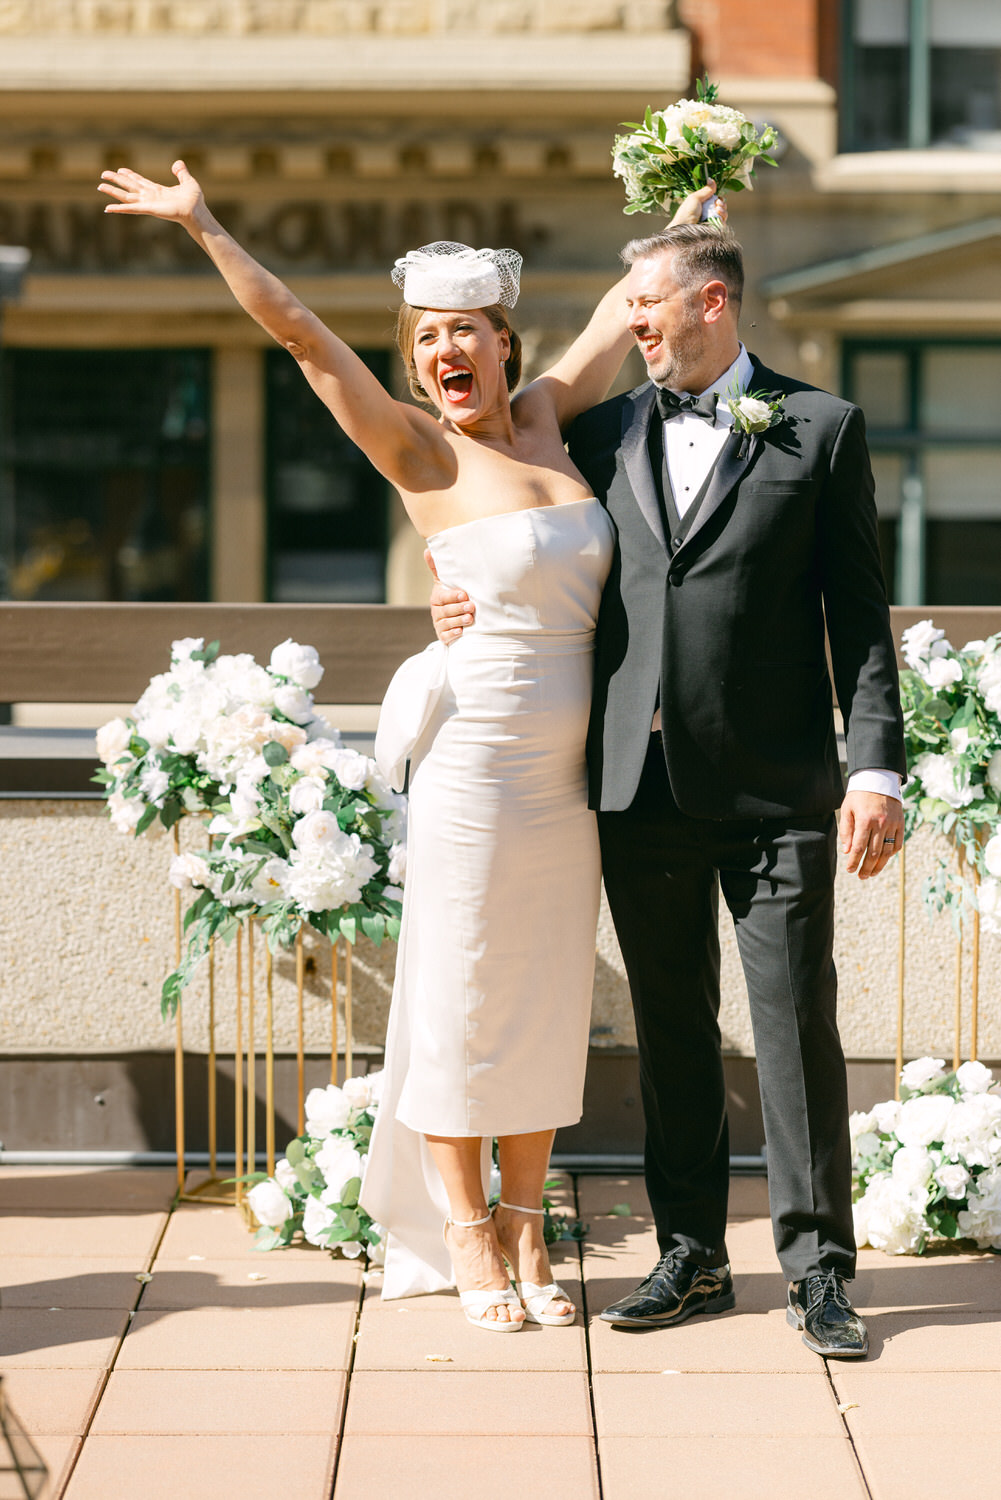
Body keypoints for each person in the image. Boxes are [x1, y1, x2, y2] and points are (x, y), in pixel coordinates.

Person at [98, 158, 718, 1332]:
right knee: (461, 995)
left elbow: (605, 318)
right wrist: (206, 225)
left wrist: (681, 228)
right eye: (427, 335)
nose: (448, 351)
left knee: (538, 1001)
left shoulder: (546, 423)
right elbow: (299, 342)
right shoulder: (420, 456)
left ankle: (531, 1225)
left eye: (468, 332)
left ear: (501, 345)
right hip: (474, 771)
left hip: (570, 781)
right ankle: (465, 1234)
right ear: (417, 357)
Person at [432, 222, 906, 1359]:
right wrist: (451, 610)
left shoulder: (819, 426)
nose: (628, 321)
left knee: (795, 1029)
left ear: (710, 303)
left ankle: (816, 1273)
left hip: (781, 786)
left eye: (644, 302)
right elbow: (509, 536)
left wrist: (873, 765)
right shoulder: (595, 435)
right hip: (635, 786)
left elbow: (861, 614)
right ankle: (690, 1254)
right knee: (671, 1031)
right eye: (624, 303)